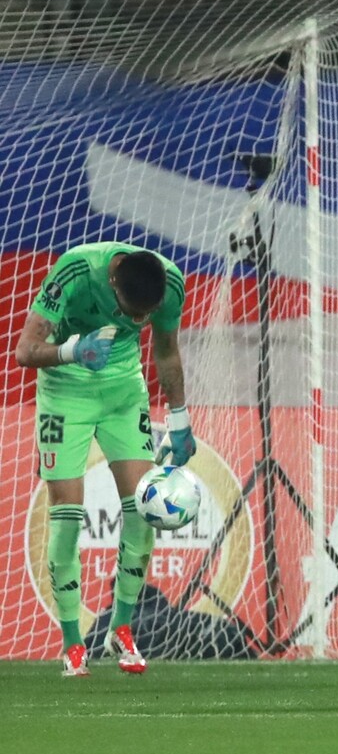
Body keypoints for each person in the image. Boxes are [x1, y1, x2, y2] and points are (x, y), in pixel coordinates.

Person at [15, 242, 196, 677]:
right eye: (132, 313)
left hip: (122, 392)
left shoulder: (167, 284)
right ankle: (74, 643)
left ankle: (122, 628)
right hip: (64, 393)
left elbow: (167, 348)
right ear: (113, 281)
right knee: (67, 515)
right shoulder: (74, 272)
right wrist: (72, 351)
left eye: (144, 316)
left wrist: (179, 416)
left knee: (142, 507)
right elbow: (25, 350)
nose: (138, 322)